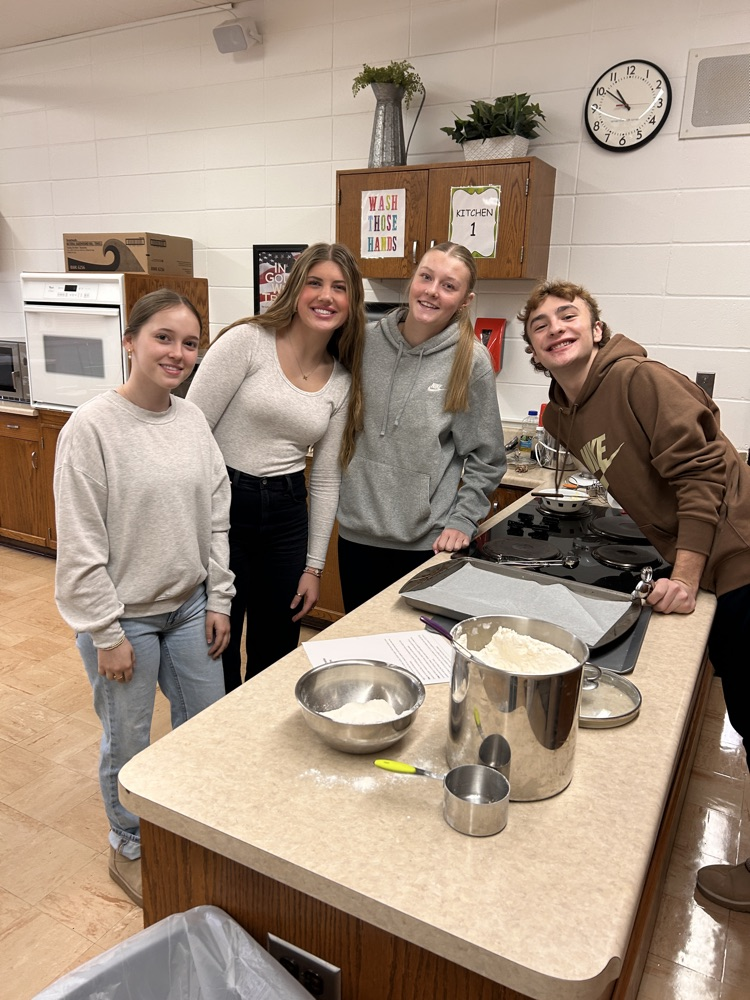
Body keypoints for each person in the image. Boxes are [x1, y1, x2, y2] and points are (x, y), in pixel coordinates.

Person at [519, 278, 750, 912]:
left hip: (744, 556)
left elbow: (702, 470)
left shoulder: (639, 378)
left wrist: (688, 572)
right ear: (534, 350)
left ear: (596, 330)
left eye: (570, 316)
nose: (556, 327)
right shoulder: (564, 411)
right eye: (541, 325)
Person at [54, 289, 234, 908]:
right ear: (129, 342)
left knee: (206, 723)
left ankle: (187, 825)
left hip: (188, 606)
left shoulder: (191, 421)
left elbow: (216, 515)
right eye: (163, 337)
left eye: (189, 342)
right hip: (123, 617)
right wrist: (104, 633)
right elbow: (78, 547)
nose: (178, 353)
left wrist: (220, 599)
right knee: (128, 740)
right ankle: (128, 841)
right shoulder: (90, 429)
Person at [188, 242, 364, 690]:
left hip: (288, 513)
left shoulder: (341, 380)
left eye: (339, 288)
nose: (326, 296)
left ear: (351, 302)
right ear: (295, 289)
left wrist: (314, 567)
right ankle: (217, 743)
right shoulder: (248, 342)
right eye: (316, 283)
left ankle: (258, 745)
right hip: (224, 501)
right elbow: (191, 432)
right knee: (217, 641)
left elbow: (325, 478)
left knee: (276, 647)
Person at [336, 241, 506, 611]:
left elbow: (487, 457)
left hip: (424, 544)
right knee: (361, 647)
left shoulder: (470, 360)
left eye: (449, 285)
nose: (432, 291)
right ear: (412, 281)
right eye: (425, 277)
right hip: (355, 534)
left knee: (415, 653)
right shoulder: (364, 341)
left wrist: (463, 519)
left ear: (465, 300)